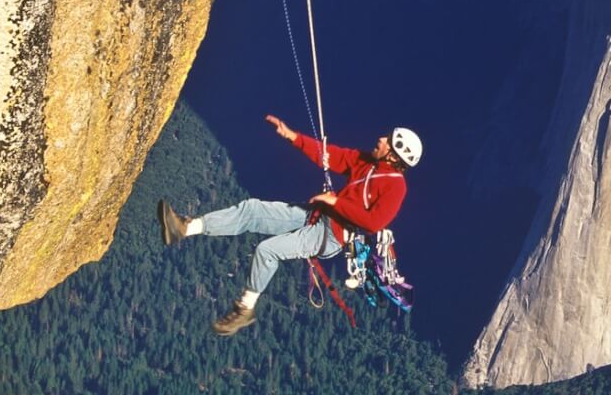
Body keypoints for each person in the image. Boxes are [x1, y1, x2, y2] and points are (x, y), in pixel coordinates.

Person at [159, 114, 422, 336]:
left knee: (267, 250)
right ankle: (183, 228)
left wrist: (334, 202)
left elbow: (374, 222)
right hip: (317, 215)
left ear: (394, 155)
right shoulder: (368, 163)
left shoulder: (395, 187)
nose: (381, 139)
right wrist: (293, 137)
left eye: (387, 140)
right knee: (252, 210)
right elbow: (333, 156)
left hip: (331, 236)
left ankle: (244, 309)